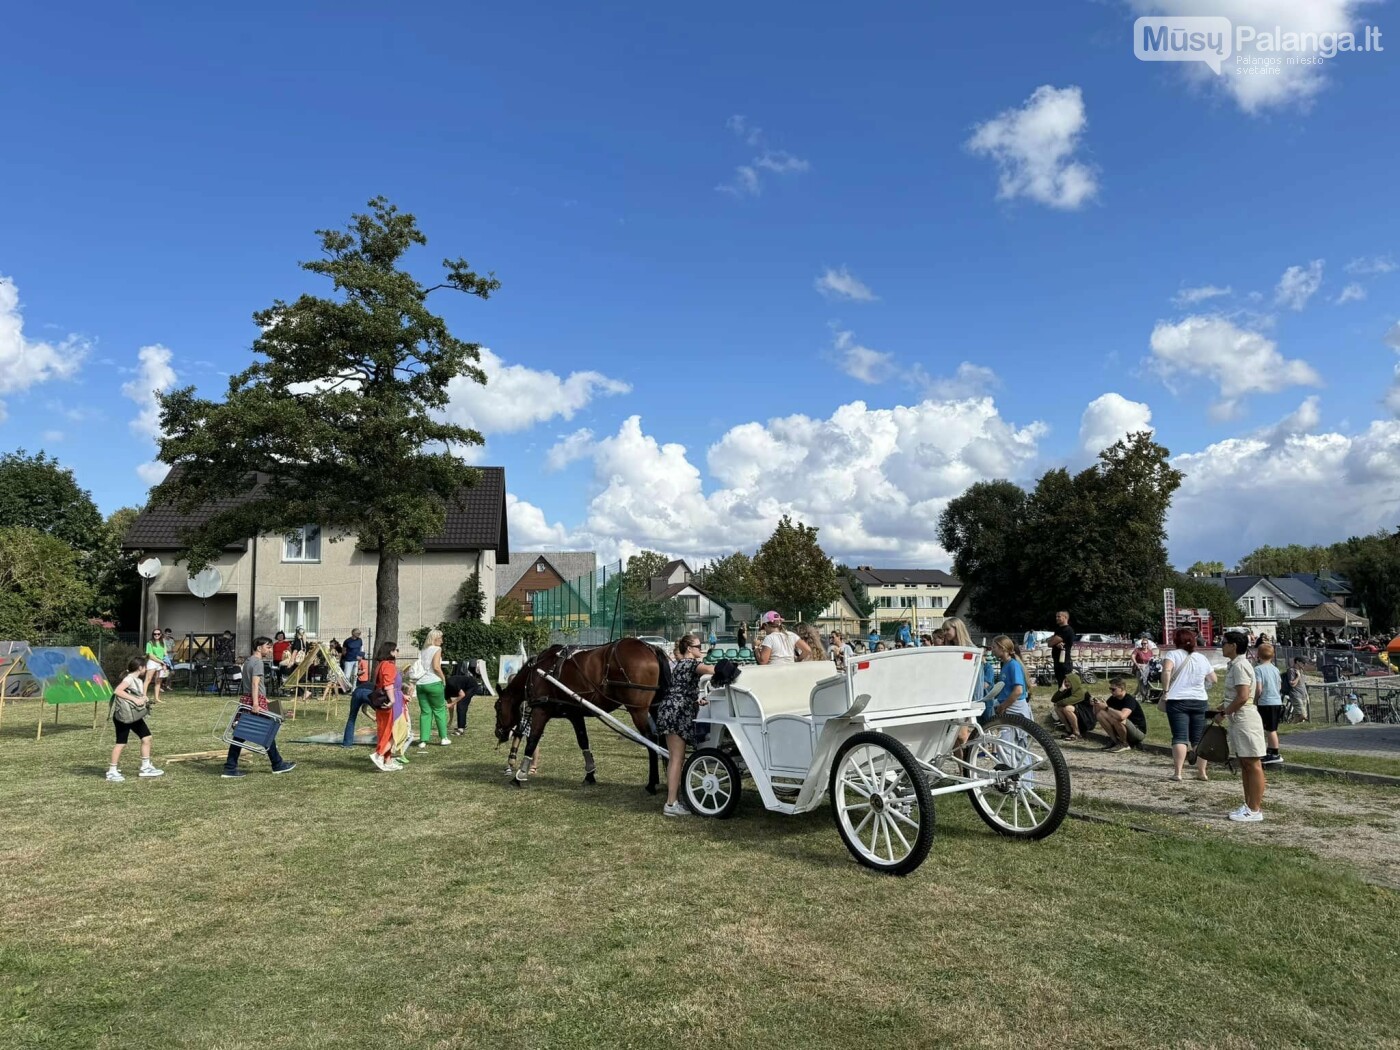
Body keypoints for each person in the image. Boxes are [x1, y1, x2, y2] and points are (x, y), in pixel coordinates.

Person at [656, 635, 716, 817]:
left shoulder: (681, 665)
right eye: (698, 646)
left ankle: (674, 800)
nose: (701, 648)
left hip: (672, 709)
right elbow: (712, 670)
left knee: (676, 758)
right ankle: (671, 803)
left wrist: (697, 701)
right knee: (676, 759)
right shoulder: (689, 663)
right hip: (677, 712)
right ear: (689, 649)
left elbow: (683, 690)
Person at [223, 636, 296, 779]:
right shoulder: (258, 663)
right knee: (266, 731)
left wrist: (265, 700)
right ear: (259, 648)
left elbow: (254, 686)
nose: (270, 650)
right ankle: (277, 764)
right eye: (268, 647)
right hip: (254, 701)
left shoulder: (248, 661)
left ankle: (230, 767)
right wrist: (256, 703)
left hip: (249, 698)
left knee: (241, 734)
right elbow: (255, 684)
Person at [1218, 630, 1266, 822]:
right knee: (1245, 763)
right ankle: (1248, 804)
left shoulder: (1240, 666)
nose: (1221, 645)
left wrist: (1224, 712)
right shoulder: (1235, 665)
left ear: (1233, 646)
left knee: (1253, 763)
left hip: (1245, 718)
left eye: (1224, 642)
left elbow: (1244, 696)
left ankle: (1254, 809)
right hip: (1239, 718)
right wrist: (1223, 707)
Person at [1161, 626, 1217, 782]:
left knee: (1179, 737)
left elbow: (1166, 671)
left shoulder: (1172, 654)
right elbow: (1213, 679)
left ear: (1176, 641)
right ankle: (1202, 772)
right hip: (1199, 700)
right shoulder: (1201, 658)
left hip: (1177, 700)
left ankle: (1178, 773)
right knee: (1199, 738)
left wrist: (1165, 691)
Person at [106, 657, 164, 782]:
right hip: (124, 717)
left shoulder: (137, 680)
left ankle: (146, 767)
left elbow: (138, 694)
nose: (146, 669)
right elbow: (118, 691)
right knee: (121, 743)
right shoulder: (129, 679)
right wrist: (135, 700)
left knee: (147, 738)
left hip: (134, 716)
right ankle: (112, 771)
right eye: (145, 666)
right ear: (140, 668)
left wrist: (144, 698)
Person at [370, 641, 403, 772]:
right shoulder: (389, 666)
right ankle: (379, 754)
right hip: (390, 701)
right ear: (391, 652)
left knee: (384, 730)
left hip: (381, 701)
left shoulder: (380, 665)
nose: (397, 652)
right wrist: (393, 699)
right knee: (395, 731)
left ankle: (387, 761)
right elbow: (388, 684)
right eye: (396, 650)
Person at [415, 629, 450, 748]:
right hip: (434, 682)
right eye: (440, 638)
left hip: (421, 684)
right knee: (439, 710)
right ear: (435, 639)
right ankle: (444, 737)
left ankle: (423, 740)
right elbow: (436, 667)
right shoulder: (437, 649)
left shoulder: (423, 650)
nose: (442, 640)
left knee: (425, 712)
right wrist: (443, 678)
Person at [1094, 677, 1147, 752]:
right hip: (1122, 728)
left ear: (1121, 688)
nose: (1111, 691)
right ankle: (1116, 742)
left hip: (1137, 731)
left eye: (1113, 689)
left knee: (1118, 718)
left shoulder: (1129, 700)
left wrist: (1106, 708)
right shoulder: (1113, 698)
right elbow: (1097, 714)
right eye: (1110, 689)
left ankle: (1124, 744)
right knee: (1101, 714)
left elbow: (1122, 716)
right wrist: (1096, 705)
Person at [1254, 640, 1284, 767]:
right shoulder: (1275, 669)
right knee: (1271, 728)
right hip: (1276, 700)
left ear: (1258, 655)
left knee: (1269, 729)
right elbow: (1279, 685)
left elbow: (1259, 688)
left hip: (1266, 701)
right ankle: (1270, 750)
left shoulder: (1258, 669)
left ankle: (1274, 753)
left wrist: (1255, 699)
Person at [341, 652, 373, 747]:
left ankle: (347, 743)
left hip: (357, 692)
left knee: (352, 717)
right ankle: (383, 742)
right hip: (368, 692)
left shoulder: (363, 662)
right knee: (382, 716)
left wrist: (373, 718)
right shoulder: (377, 692)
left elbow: (364, 710)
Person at [143, 628, 167, 705]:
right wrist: (161, 662)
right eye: (155, 634)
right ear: (153, 635)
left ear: (161, 634)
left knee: (158, 681)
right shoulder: (149, 643)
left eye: (158, 634)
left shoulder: (163, 642)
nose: (156, 635)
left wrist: (165, 663)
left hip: (161, 663)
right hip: (153, 662)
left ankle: (157, 698)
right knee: (148, 680)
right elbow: (150, 656)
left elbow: (165, 654)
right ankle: (144, 697)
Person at [1288, 657, 1310, 722]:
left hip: (1303, 695)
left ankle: (1292, 723)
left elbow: (1303, 685)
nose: (1304, 665)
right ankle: (1292, 723)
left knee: (1301, 716)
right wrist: (1298, 676)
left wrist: (1307, 695)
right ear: (1297, 662)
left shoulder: (1301, 671)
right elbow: (1292, 684)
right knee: (1302, 715)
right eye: (1303, 663)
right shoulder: (1291, 670)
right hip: (1296, 695)